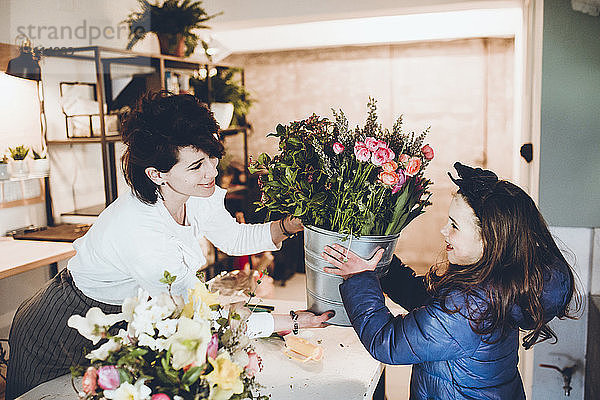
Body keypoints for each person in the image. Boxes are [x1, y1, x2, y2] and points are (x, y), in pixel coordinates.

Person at [6, 92, 331, 399]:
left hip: (117, 321)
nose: (211, 172)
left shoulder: (192, 191)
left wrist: (289, 225)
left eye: (211, 158)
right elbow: (198, 318)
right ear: (156, 174)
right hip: (58, 329)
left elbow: (232, 237)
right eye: (196, 165)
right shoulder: (141, 231)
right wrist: (290, 321)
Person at [322, 162, 577, 399]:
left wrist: (358, 279)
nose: (444, 230)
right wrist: (383, 268)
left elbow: (386, 342)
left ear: (488, 241)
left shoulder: (470, 308)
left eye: (454, 225)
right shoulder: (495, 282)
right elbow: (427, 301)